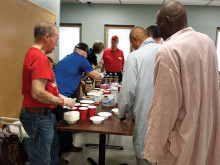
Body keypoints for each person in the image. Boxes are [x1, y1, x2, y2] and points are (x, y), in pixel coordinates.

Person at [144, 1, 220, 165]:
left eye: (159, 24)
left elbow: (164, 108)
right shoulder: (207, 42)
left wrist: (152, 150)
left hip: (183, 139)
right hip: (207, 131)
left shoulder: (169, 50)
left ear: (168, 20)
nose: (159, 30)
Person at [19, 22, 76, 165]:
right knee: (41, 159)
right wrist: (64, 102)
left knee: (53, 148)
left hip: (42, 114)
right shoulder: (39, 58)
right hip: (39, 116)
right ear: (46, 37)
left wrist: (64, 98)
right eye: (56, 40)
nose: (56, 44)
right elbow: (38, 92)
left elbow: (48, 88)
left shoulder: (32, 53)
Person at [53, 42, 104, 158]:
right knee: (61, 125)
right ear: (84, 53)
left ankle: (68, 145)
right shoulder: (81, 59)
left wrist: (78, 80)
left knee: (65, 123)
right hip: (62, 96)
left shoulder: (68, 57)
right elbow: (95, 76)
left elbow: (67, 74)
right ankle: (58, 156)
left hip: (55, 92)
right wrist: (103, 74)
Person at [118, 26, 160, 165]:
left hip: (145, 111)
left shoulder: (135, 56)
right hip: (165, 113)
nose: (133, 47)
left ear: (135, 40)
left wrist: (122, 112)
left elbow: (129, 90)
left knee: (144, 151)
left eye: (132, 44)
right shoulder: (165, 50)